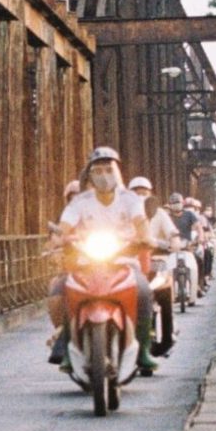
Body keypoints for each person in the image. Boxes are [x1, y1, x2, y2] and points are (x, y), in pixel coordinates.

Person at [47, 147, 158, 374]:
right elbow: (65, 225)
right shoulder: (81, 202)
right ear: (90, 175)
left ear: (118, 172)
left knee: (143, 290)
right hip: (87, 262)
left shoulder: (130, 199)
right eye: (98, 170)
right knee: (65, 290)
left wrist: (146, 237)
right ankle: (67, 346)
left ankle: (144, 349)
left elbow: (141, 222)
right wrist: (58, 239)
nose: (104, 175)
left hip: (124, 260)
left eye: (109, 169)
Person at [129, 175, 179, 355]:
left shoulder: (159, 213)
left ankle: (167, 335)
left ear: (150, 195)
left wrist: (174, 240)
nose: (140, 196)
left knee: (164, 291)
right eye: (136, 192)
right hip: (128, 262)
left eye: (144, 192)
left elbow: (172, 232)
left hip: (155, 260)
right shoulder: (123, 212)